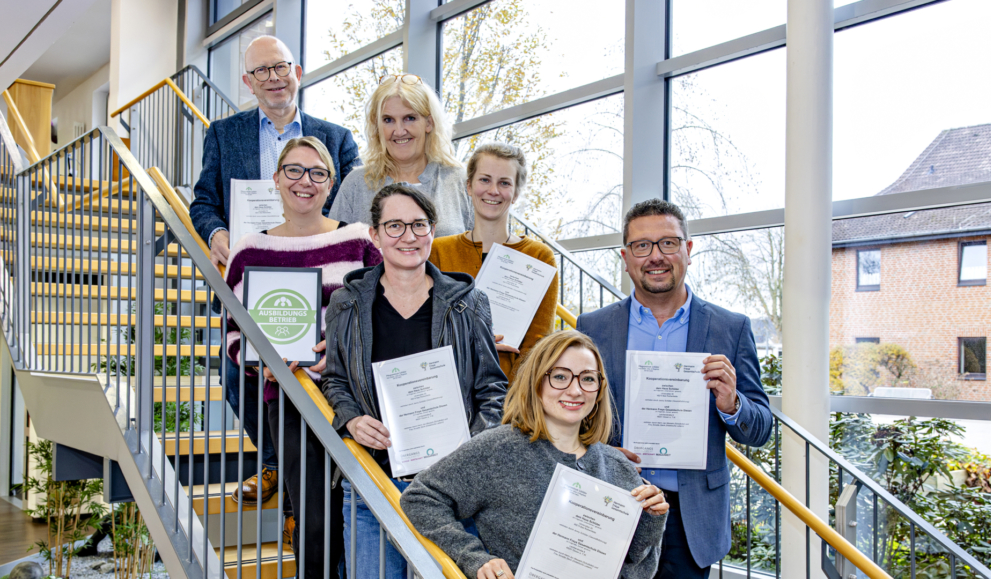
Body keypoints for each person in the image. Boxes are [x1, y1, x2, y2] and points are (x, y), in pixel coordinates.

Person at [189, 34, 360, 506]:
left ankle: (298, 477)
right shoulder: (224, 134)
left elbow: (356, 204)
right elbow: (203, 202)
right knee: (238, 372)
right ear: (248, 82)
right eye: (261, 71)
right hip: (257, 276)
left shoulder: (336, 138)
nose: (273, 78)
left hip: (323, 282)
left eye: (280, 67)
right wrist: (217, 235)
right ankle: (274, 463)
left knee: (315, 372)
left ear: (297, 73)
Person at [577, 199, 774, 578]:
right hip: (615, 500)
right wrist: (597, 450)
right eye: (642, 245)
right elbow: (570, 413)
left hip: (691, 516)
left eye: (668, 243)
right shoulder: (594, 327)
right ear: (626, 257)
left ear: (688, 250)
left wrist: (732, 403)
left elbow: (761, 430)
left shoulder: (730, 328)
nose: (656, 256)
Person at [321, 184, 507, 578]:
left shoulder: (469, 302)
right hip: (372, 480)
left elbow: (493, 389)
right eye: (394, 226)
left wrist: (469, 447)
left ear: (432, 230)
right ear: (374, 235)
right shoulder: (345, 303)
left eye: (418, 225)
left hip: (450, 490)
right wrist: (352, 420)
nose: (408, 236)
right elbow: (335, 380)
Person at [224, 136, 382, 577]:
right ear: (276, 179)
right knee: (314, 521)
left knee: (366, 511)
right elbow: (234, 333)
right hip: (291, 399)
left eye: (317, 172)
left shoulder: (358, 241)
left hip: (359, 397)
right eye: (294, 170)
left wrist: (341, 349)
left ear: (331, 183)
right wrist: (263, 362)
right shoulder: (249, 250)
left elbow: (382, 313)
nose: (305, 181)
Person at [401, 330, 669, 579]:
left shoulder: (618, 467)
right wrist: (474, 558)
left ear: (599, 390)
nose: (575, 390)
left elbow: (638, 572)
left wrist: (651, 519)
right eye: (560, 376)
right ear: (536, 382)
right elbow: (421, 497)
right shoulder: (498, 449)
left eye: (588, 378)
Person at [429, 142, 558, 381]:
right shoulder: (438, 251)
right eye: (485, 180)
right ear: (469, 186)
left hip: (512, 390)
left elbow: (537, 345)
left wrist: (512, 396)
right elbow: (430, 330)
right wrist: (474, 343)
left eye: (504, 183)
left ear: (516, 193)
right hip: (450, 386)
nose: (493, 190)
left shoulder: (539, 257)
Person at [328, 74, 472, 237]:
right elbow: (333, 249)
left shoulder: (460, 181)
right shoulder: (355, 184)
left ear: (429, 123)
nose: (399, 131)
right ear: (377, 127)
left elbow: (484, 245)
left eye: (409, 118)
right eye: (388, 120)